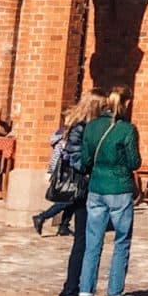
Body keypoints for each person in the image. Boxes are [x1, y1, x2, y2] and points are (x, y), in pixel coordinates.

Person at [73, 85, 141, 296]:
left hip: (96, 188)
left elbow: (85, 159)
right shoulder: (127, 129)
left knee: (93, 243)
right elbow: (134, 162)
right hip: (119, 188)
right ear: (126, 103)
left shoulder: (92, 127)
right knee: (121, 242)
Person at [33, 93, 100, 238]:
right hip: (72, 167)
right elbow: (66, 150)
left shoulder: (80, 122)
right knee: (70, 198)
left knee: (76, 198)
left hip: (71, 165)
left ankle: (63, 226)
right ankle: (42, 217)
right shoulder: (80, 125)